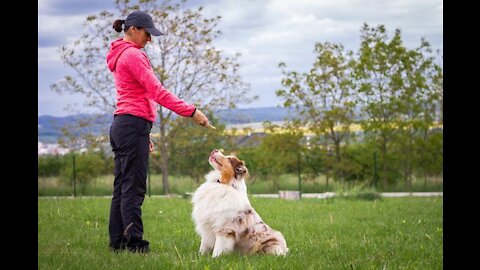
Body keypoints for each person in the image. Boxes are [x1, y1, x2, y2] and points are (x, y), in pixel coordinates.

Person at [106, 10, 211, 253]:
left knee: (122, 186)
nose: (149, 40)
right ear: (133, 30)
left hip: (125, 125)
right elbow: (157, 92)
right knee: (133, 189)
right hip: (131, 126)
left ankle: (118, 243)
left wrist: (144, 132)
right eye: (147, 34)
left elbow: (135, 96)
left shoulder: (119, 54)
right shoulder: (133, 55)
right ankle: (134, 245)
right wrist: (191, 111)